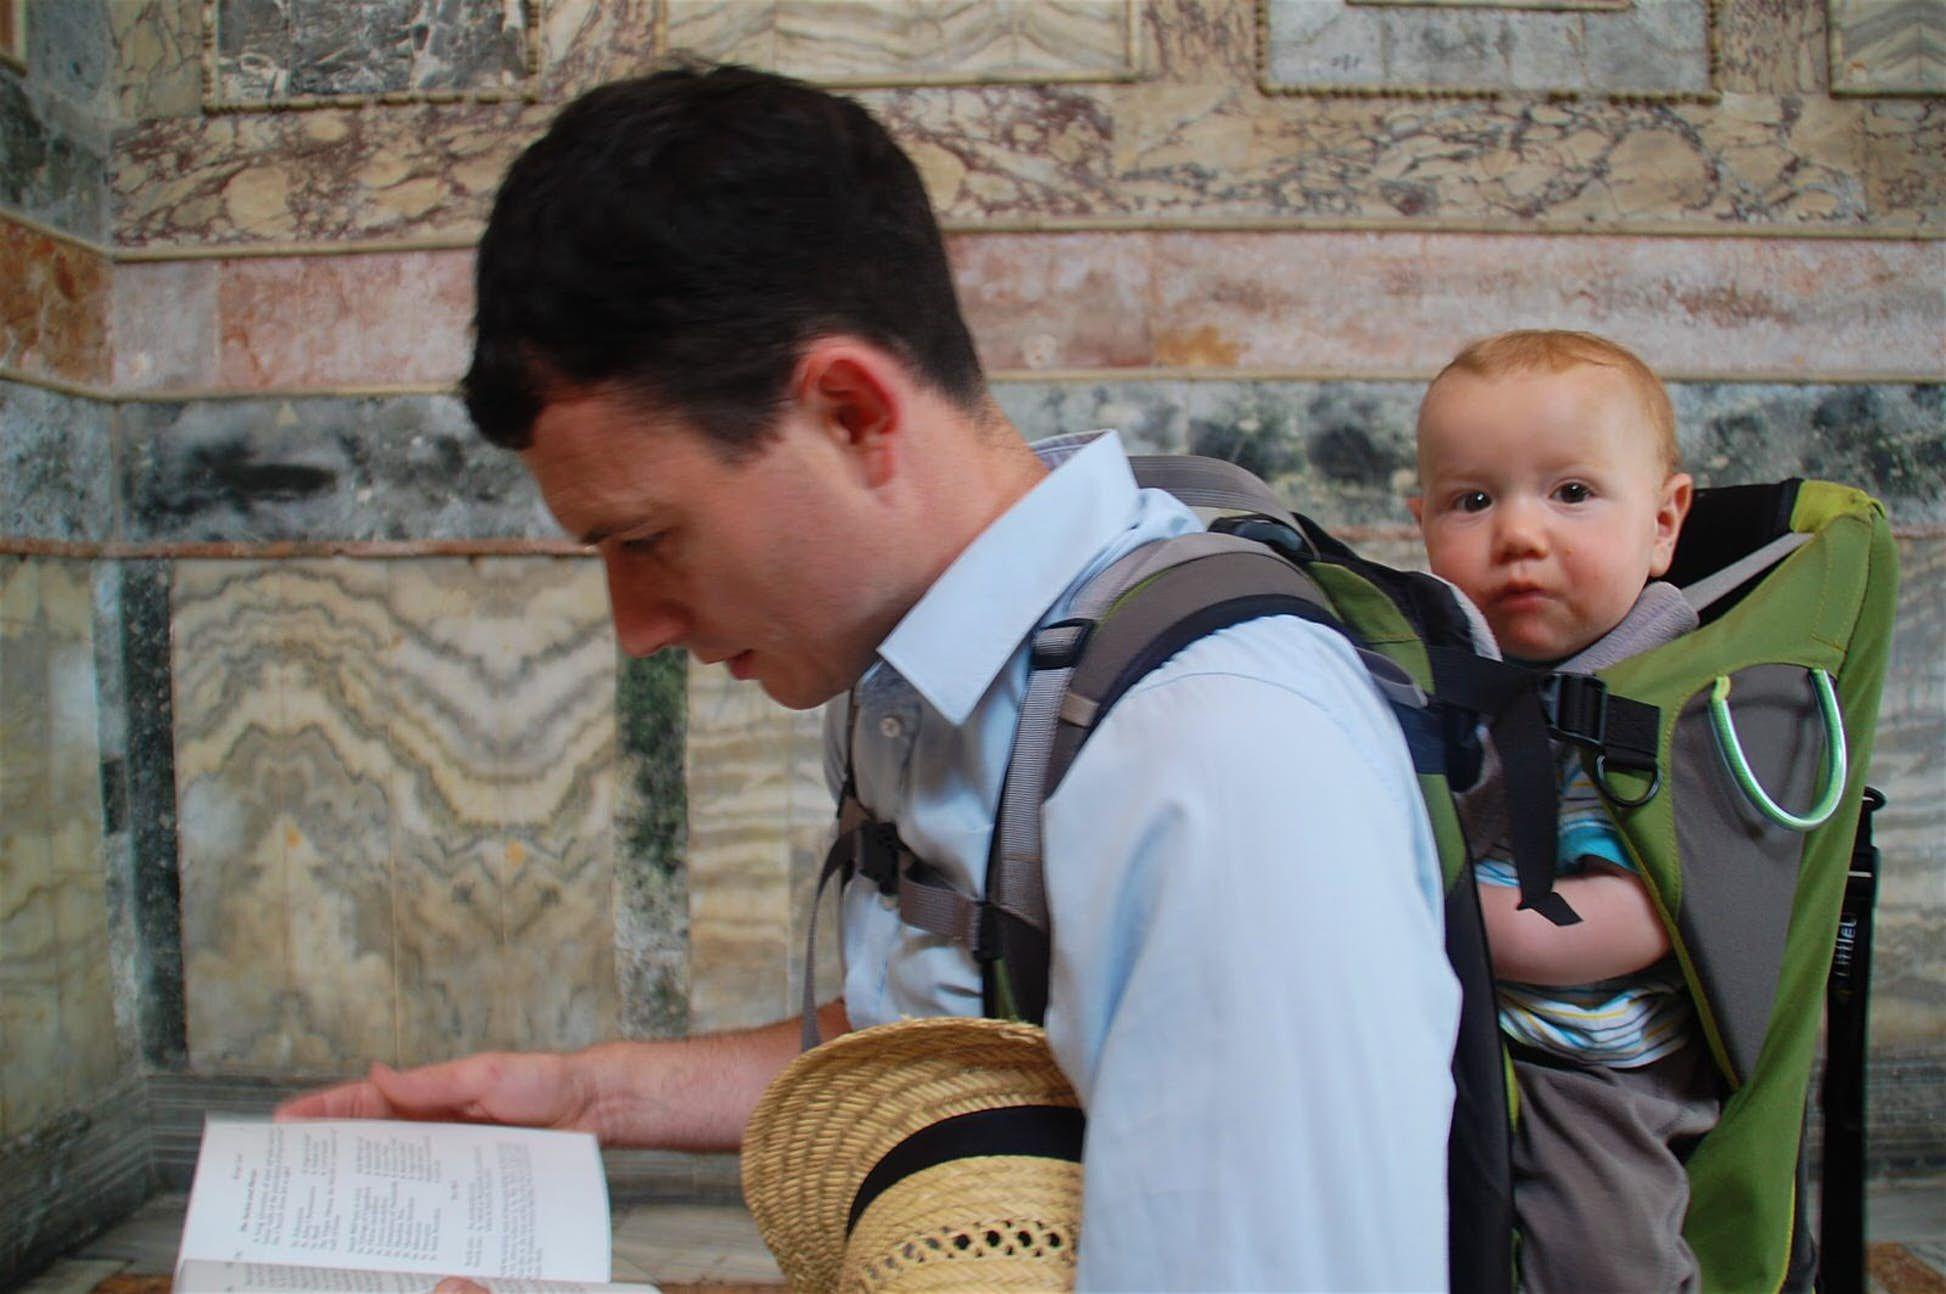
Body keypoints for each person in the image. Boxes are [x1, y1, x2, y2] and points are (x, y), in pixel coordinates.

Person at [279, 64, 1459, 1290]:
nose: (632, 625)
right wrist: (592, 1094)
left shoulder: (1217, 756)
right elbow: (973, 1037)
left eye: (644, 537)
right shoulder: (921, 670)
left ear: (849, 412)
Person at [1409, 329, 1720, 1292]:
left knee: (1600, 1253)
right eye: (1474, 500)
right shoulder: (1449, 667)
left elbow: (1640, 918)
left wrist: (1447, 915)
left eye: (1572, 493)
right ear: (1422, 527)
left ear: (1664, 523)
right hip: (1458, 1024)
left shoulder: (1656, 694)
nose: (1520, 534)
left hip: (1596, 1062)